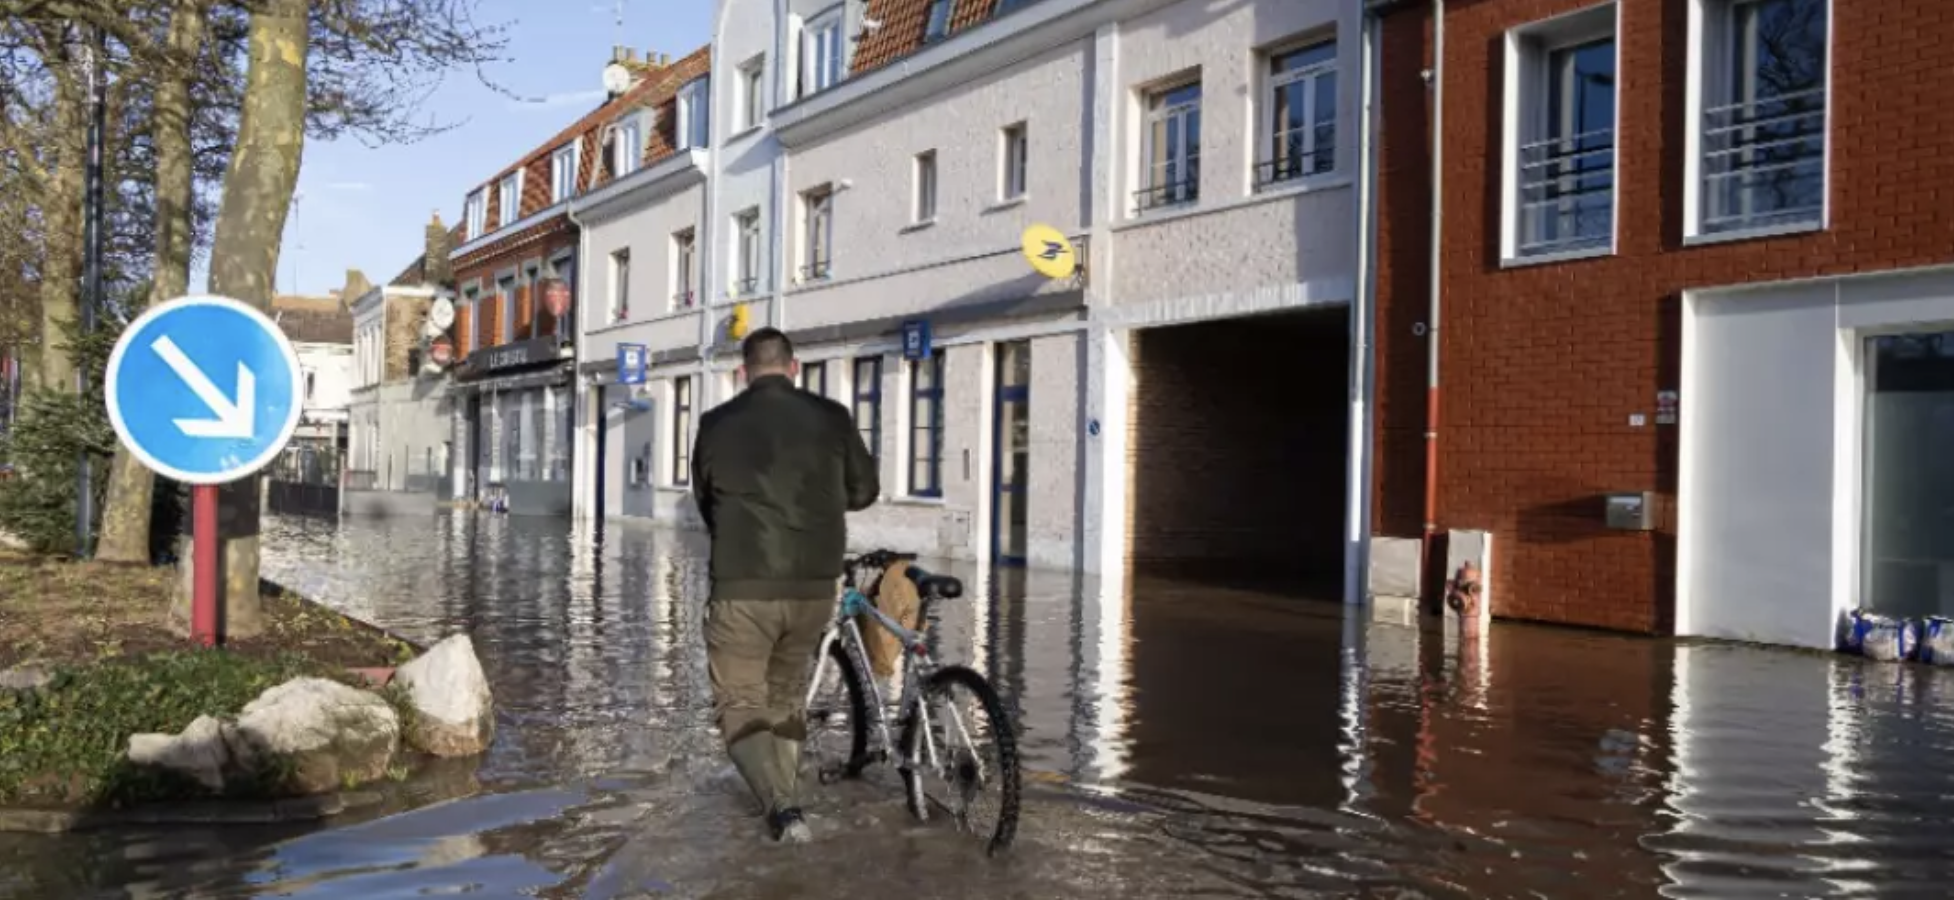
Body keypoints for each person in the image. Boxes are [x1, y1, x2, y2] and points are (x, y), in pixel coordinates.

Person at [690, 327, 879, 843]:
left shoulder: (714, 424)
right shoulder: (833, 417)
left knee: (739, 700)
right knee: (785, 693)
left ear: (742, 372)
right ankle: (788, 796)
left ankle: (783, 811)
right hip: (815, 587)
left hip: (742, 584)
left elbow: (706, 501)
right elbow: (864, 491)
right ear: (794, 368)